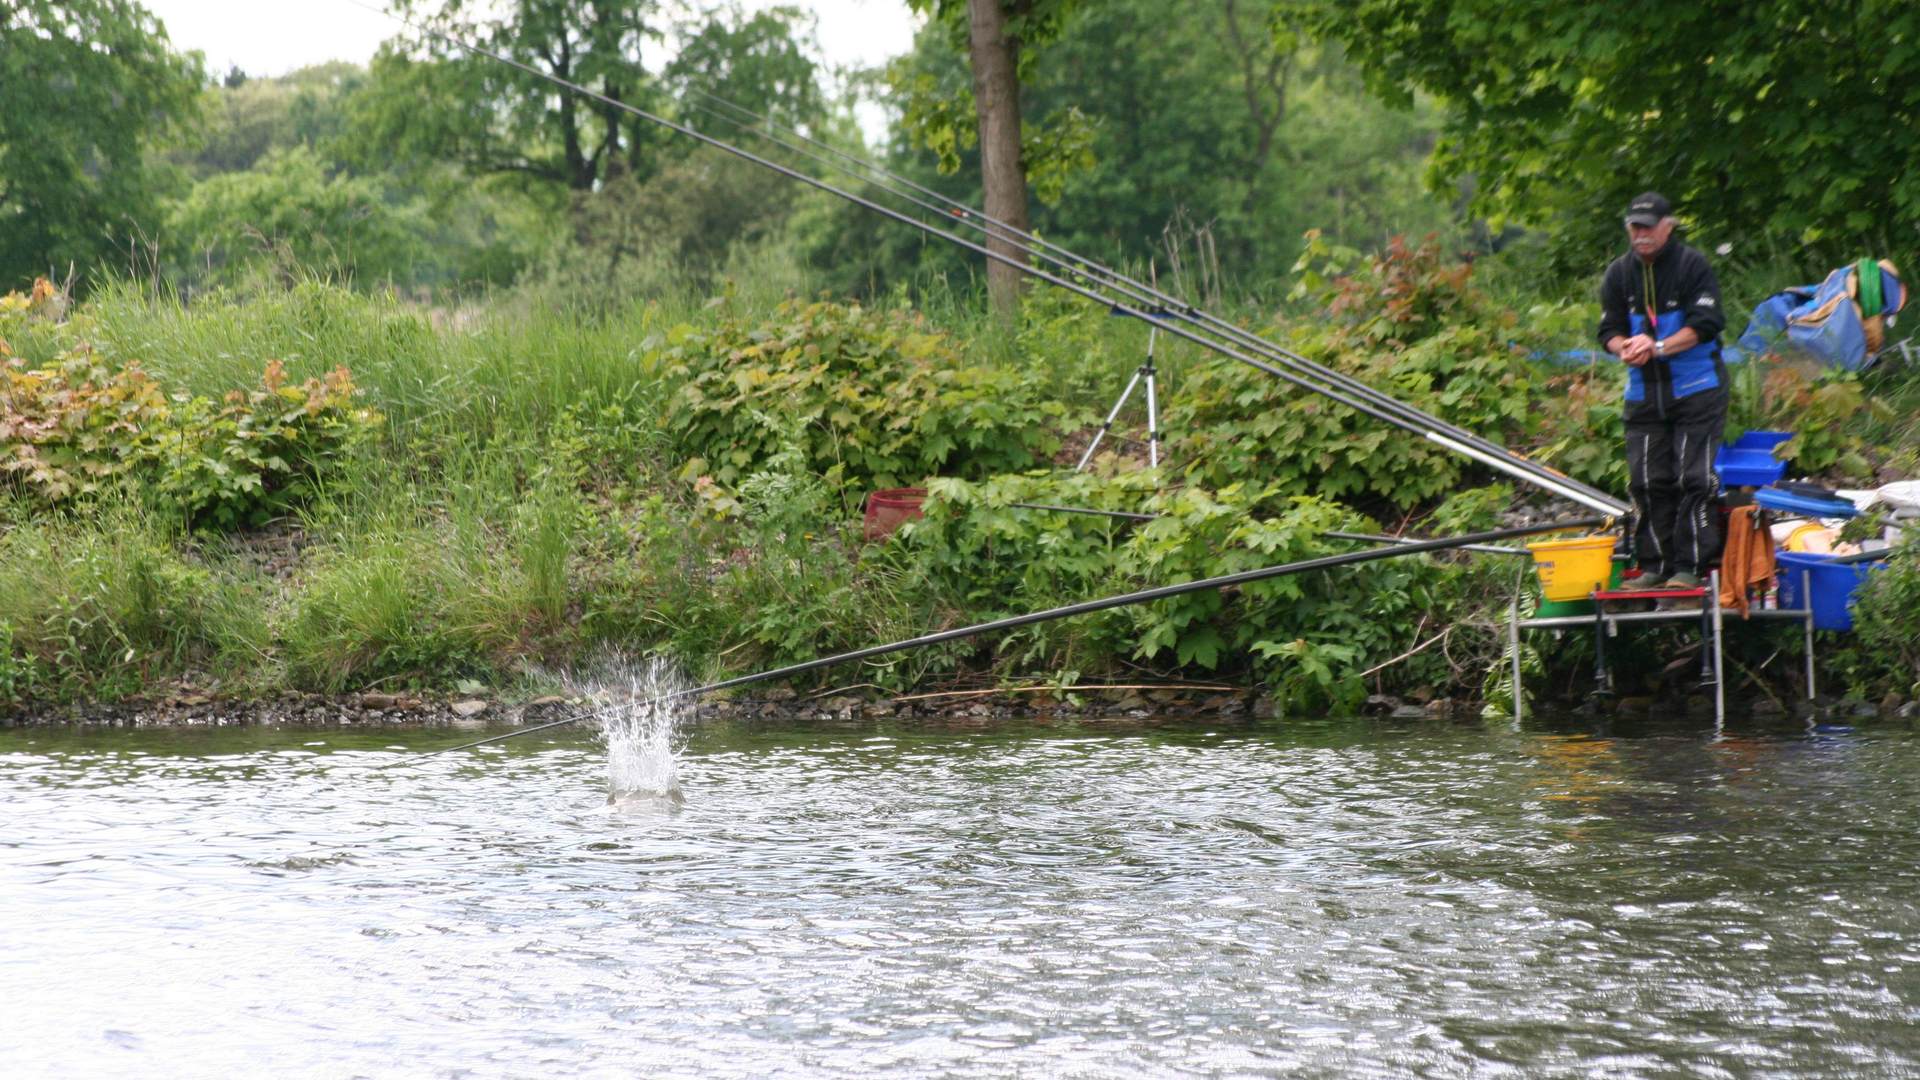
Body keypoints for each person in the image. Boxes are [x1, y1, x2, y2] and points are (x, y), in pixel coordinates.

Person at [1597, 191, 1728, 592]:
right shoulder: (1618, 274)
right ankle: (1654, 565)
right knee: (1647, 481)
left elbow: (1706, 323)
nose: (1641, 234)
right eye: (1635, 227)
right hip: (1643, 394)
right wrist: (1624, 347)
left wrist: (1655, 347)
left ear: (1668, 227)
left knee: (1693, 478)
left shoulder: (1693, 265)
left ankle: (1690, 569)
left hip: (1697, 387)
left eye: (1649, 226)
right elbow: (1608, 331)